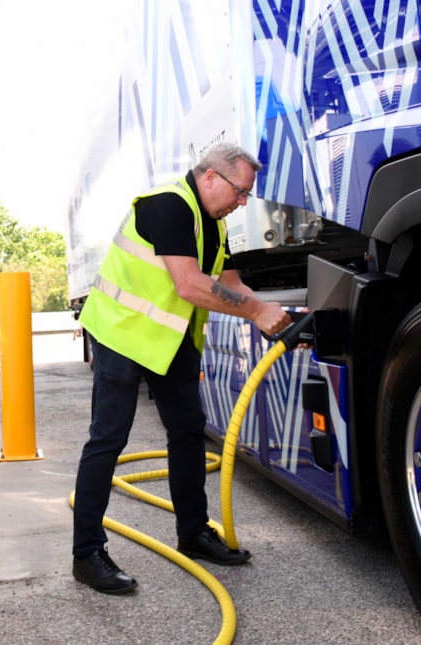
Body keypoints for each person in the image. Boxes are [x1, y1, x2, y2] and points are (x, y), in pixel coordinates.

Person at [71, 142, 291, 594]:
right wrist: (254, 313)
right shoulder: (168, 205)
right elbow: (190, 285)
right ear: (211, 176)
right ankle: (87, 554)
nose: (242, 201)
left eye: (246, 195)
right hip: (120, 333)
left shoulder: (215, 225)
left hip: (169, 341)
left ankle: (192, 532)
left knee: (189, 431)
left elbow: (229, 283)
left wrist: (278, 310)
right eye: (239, 191)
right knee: (108, 437)